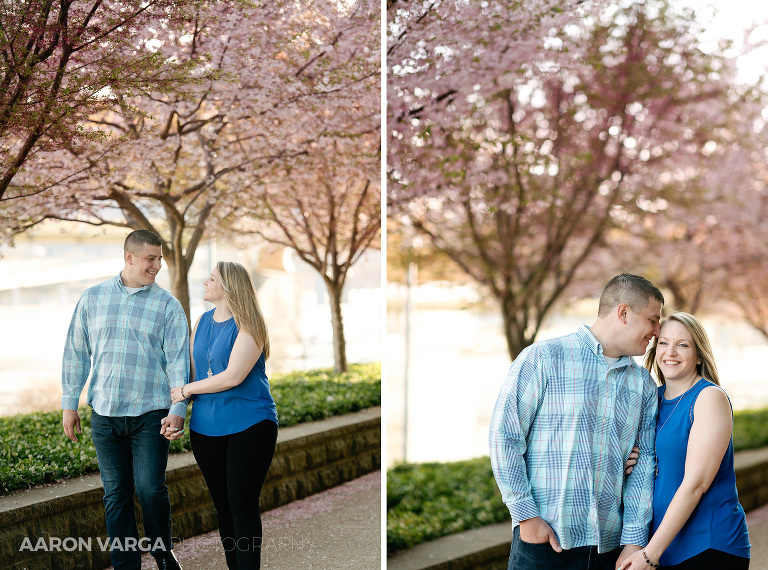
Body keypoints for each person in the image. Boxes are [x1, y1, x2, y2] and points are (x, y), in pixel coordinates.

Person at [489, 273, 664, 570]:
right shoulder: (543, 358)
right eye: (653, 319)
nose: (657, 331)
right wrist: (526, 517)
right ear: (623, 312)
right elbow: (504, 437)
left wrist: (634, 540)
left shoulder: (643, 385)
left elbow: (644, 463)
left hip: (609, 550)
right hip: (544, 543)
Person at [62, 229, 189, 570]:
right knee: (116, 495)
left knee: (149, 489)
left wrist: (178, 409)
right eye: (151, 258)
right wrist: (69, 404)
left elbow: (178, 362)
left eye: (160, 258)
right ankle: (126, 565)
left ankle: (163, 553)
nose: (158, 265)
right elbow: (77, 353)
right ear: (129, 257)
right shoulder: (93, 298)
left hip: (151, 414)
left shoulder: (168, 306)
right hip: (104, 414)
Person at [618, 312, 750, 569]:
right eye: (664, 343)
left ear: (699, 354)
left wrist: (649, 555)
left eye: (683, 345)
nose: (671, 352)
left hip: (709, 546)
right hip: (662, 546)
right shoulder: (649, 399)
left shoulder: (709, 398)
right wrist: (623, 463)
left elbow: (695, 484)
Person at [170, 261, 278, 570]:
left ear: (229, 286)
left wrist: (187, 390)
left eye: (212, 278)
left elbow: (232, 376)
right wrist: (176, 413)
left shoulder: (250, 324)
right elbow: (190, 372)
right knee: (223, 508)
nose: (205, 282)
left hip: (251, 425)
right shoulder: (202, 321)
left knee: (241, 504)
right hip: (205, 429)